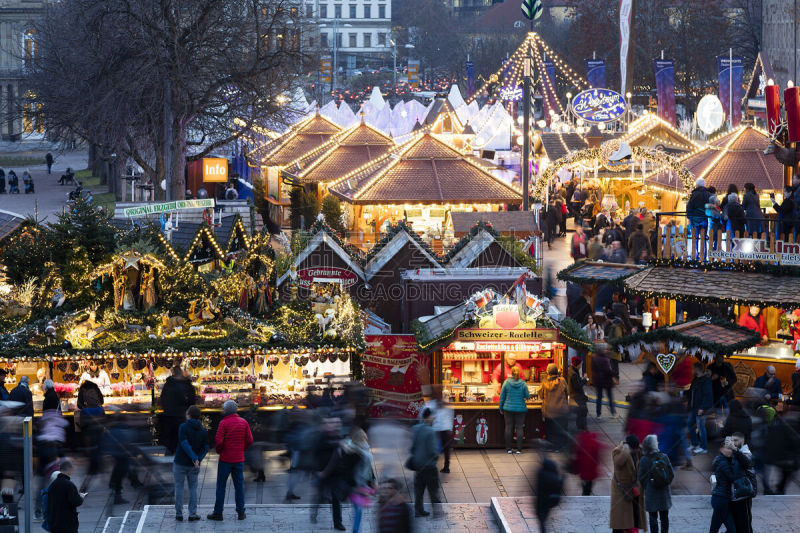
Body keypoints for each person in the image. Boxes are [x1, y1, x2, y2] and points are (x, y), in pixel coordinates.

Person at [207, 400, 253, 521]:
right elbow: (250, 439)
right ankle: (241, 512)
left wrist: (219, 450)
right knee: (239, 486)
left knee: (221, 486)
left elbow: (218, 440)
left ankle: (218, 513)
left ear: (226, 410)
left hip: (225, 459)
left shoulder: (223, 423)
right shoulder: (244, 422)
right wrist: (242, 449)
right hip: (239, 459)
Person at [174, 405, 208, 522]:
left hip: (180, 462)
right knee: (193, 488)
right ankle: (192, 514)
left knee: (179, 487)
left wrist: (194, 457)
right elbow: (206, 447)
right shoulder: (203, 431)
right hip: (194, 465)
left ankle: (179, 514)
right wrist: (198, 459)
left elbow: (184, 443)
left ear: (188, 415)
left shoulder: (183, 427)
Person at [311, 416, 345, 528]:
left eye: (337, 422)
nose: (335, 424)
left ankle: (338, 523)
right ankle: (314, 512)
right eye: (332, 422)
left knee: (336, 498)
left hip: (336, 474)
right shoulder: (322, 438)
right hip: (323, 473)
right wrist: (317, 471)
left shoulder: (340, 437)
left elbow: (342, 456)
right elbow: (315, 454)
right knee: (321, 495)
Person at [638, 434, 674, 533]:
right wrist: (665, 483)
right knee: (664, 518)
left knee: (653, 519)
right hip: (664, 494)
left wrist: (648, 486)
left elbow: (640, 477)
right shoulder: (664, 457)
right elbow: (671, 475)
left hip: (651, 494)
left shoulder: (644, 460)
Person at [610, 436, 646, 533]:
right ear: (629, 447)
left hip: (633, 490)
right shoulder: (617, 451)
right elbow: (618, 463)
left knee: (632, 518)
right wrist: (626, 451)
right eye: (634, 448)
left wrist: (642, 449)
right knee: (619, 521)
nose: (636, 450)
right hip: (621, 492)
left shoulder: (637, 451)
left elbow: (644, 459)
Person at [410, 408, 441, 518]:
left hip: (417, 465)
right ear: (428, 417)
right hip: (429, 466)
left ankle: (418, 510)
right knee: (433, 490)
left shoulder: (414, 429)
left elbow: (411, 447)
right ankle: (437, 512)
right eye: (433, 416)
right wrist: (437, 457)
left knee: (419, 490)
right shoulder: (431, 431)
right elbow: (433, 451)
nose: (434, 418)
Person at [160, 366, 196, 455]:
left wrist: (166, 410)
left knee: (171, 440)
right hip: (182, 416)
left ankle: (170, 456)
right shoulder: (187, 385)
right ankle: (182, 456)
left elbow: (162, 399)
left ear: (173, 373)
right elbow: (192, 401)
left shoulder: (168, 384)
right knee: (182, 438)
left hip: (169, 416)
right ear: (181, 373)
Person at [709, 440, 740, 533]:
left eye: (731, 448)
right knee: (729, 529)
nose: (730, 451)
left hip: (721, 498)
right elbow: (733, 478)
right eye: (728, 448)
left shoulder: (722, 460)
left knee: (728, 529)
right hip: (721, 499)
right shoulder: (724, 463)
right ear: (721, 449)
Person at [422, 385, 454, 473]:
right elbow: (450, 415)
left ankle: (442, 466)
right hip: (443, 429)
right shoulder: (443, 404)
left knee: (435, 447)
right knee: (444, 448)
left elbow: (423, 416)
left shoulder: (430, 404)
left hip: (437, 429)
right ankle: (445, 466)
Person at [498, 367, 530, 453]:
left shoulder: (506, 382)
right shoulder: (523, 383)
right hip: (520, 409)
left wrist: (500, 408)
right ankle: (519, 449)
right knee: (519, 428)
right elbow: (527, 396)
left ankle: (509, 449)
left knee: (508, 427)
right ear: (519, 373)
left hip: (508, 408)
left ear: (511, 373)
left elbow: (502, 397)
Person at [47, 459, 84, 533]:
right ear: (69, 469)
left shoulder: (53, 485)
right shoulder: (69, 485)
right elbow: (76, 501)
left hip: (54, 523)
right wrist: (81, 497)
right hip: (67, 523)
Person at [540, 363, 568, 451]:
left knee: (549, 430)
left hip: (549, 410)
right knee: (559, 429)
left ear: (548, 372)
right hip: (560, 410)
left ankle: (550, 447)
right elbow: (567, 392)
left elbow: (540, 394)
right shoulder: (562, 380)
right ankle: (558, 447)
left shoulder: (545, 381)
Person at [687, 362, 713, 455]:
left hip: (701, 408)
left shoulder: (706, 380)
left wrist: (702, 407)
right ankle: (694, 444)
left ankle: (703, 447)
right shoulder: (695, 380)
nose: (692, 371)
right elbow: (691, 392)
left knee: (701, 427)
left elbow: (708, 395)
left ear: (697, 369)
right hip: (694, 407)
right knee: (689, 424)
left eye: (693, 369)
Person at [535, 459, 563, 533]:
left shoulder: (541, 474)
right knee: (544, 518)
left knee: (541, 519)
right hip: (549, 501)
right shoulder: (555, 476)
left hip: (541, 501)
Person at [572, 430, 603, 495]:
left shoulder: (581, 444)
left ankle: (584, 490)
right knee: (590, 481)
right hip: (591, 467)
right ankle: (586, 492)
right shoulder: (594, 443)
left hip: (583, 467)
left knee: (584, 479)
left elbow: (577, 455)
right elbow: (598, 455)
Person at [591, 348, 616, 418]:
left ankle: (598, 414)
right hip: (606, 381)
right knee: (610, 397)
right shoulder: (605, 360)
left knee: (599, 397)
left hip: (598, 381)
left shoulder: (594, 359)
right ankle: (613, 413)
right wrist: (613, 374)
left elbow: (592, 369)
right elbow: (607, 371)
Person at [567, 356, 588, 431]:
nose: (581, 366)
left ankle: (581, 427)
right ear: (578, 364)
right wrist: (585, 380)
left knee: (581, 411)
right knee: (582, 411)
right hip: (576, 395)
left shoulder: (571, 370)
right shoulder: (574, 374)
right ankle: (581, 427)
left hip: (574, 394)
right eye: (581, 364)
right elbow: (577, 386)